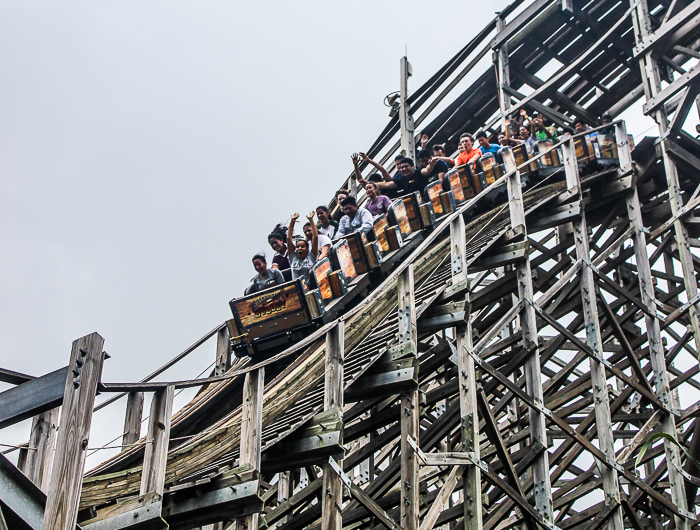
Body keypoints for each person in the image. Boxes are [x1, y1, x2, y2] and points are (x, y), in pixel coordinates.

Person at [360, 157, 428, 197]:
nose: (404, 169)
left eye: (406, 166)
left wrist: (432, 164)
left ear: (412, 166)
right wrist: (368, 184)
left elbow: (427, 170)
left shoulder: (419, 173)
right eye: (402, 167)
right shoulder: (401, 179)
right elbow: (387, 184)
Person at [287, 212, 318, 280]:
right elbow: (289, 238)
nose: (299, 248)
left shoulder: (311, 256)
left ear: (307, 249)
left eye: (302, 246)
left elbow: (315, 237)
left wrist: (311, 220)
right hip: (298, 288)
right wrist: (292, 222)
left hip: (311, 287)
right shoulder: (293, 257)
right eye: (297, 247)